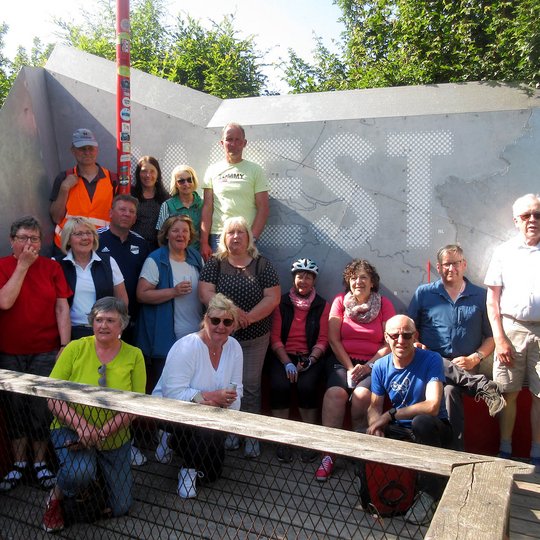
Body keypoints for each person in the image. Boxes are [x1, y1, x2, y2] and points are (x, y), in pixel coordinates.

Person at [41, 297, 146, 533]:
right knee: (80, 474)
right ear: (92, 322)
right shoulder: (75, 348)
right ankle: (56, 496)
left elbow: (137, 405)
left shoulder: (135, 355)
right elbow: (52, 397)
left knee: (121, 506)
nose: (103, 325)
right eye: (98, 320)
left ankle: (93, 479)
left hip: (114, 437)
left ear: (123, 325)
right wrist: (82, 427)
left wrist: (101, 432)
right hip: (71, 430)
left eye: (111, 320)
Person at [408, 244, 505, 450]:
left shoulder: (480, 296)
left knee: (451, 388)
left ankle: (454, 452)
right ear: (438, 267)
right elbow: (409, 327)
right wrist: (415, 341)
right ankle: (482, 386)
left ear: (464, 265)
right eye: (446, 264)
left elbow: (491, 337)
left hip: (466, 364)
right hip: (430, 361)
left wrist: (475, 358)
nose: (451, 268)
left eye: (456, 263)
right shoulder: (424, 293)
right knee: (443, 377)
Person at [0, 216, 71, 493]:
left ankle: (41, 463)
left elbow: (61, 307)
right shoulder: (4, 266)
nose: (29, 244)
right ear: (11, 241)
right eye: (23, 238)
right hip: (10, 352)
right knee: (15, 408)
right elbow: (5, 301)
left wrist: (64, 345)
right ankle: (19, 463)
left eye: (34, 239)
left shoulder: (52, 268)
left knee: (41, 410)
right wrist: (23, 266)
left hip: (45, 350)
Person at [199, 216, 280, 458]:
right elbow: (205, 293)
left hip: (255, 337)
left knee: (251, 386)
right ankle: (232, 431)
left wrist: (247, 318)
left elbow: (272, 298)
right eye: (231, 232)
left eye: (240, 232)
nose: (235, 237)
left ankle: (251, 434)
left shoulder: (262, 265)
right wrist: (233, 317)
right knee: (227, 384)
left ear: (249, 237)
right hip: (221, 338)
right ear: (224, 237)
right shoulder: (215, 263)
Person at [154, 293, 243, 499]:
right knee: (205, 431)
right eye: (215, 320)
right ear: (205, 320)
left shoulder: (235, 348)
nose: (221, 326)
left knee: (212, 474)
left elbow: (237, 390)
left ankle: (174, 443)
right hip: (170, 409)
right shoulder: (187, 347)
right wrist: (211, 398)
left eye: (227, 321)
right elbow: (173, 393)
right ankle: (187, 470)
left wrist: (223, 403)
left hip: (214, 411)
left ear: (233, 325)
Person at [367, 315, 452, 525]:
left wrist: (390, 414)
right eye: (395, 335)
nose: (401, 341)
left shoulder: (431, 359)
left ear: (415, 336)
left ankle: (431, 493)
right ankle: (376, 490)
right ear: (386, 337)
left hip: (432, 427)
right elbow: (374, 406)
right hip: (399, 428)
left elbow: (432, 405)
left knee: (420, 422)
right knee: (365, 432)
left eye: (407, 335)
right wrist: (375, 424)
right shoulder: (380, 366)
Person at [316, 259, 395, 481]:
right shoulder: (340, 302)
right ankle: (329, 454)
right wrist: (351, 368)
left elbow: (389, 343)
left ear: (372, 283)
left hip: (374, 363)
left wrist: (368, 365)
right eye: (353, 277)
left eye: (363, 277)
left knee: (362, 395)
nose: (358, 281)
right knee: (335, 394)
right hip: (343, 362)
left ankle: (359, 449)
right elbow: (333, 339)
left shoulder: (384, 304)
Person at [485, 193, 540, 471]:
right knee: (508, 392)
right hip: (512, 328)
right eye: (527, 215)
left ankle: (537, 455)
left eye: (537, 214)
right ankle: (505, 450)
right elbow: (492, 300)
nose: (533, 220)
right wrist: (500, 338)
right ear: (516, 220)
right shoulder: (504, 252)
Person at [269, 258, 330, 463]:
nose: (303, 280)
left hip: (310, 356)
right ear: (293, 279)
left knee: (307, 386)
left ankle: (309, 439)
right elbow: (275, 338)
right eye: (299, 276)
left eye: (308, 277)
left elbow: (323, 339)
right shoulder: (281, 302)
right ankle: (282, 440)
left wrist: (311, 360)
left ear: (314, 281)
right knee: (279, 385)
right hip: (283, 355)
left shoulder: (322, 305)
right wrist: (287, 362)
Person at [136, 215, 204, 388]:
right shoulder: (156, 259)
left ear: (190, 236)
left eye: (185, 231)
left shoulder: (196, 258)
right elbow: (142, 294)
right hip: (166, 341)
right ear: (166, 234)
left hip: (195, 338)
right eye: (175, 230)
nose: (180, 235)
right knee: (166, 387)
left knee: (191, 386)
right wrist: (173, 292)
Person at [200, 123, 269, 260]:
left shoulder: (256, 170)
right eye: (229, 139)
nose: (233, 143)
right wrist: (204, 242)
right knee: (219, 279)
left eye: (238, 139)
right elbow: (207, 207)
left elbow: (264, 208)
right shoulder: (212, 170)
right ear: (222, 143)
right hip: (218, 236)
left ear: (244, 143)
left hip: (246, 236)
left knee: (246, 279)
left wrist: (252, 238)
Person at [56, 217, 128, 340]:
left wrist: (118, 329)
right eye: (79, 234)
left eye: (89, 233)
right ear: (68, 240)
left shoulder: (108, 262)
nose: (85, 237)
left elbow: (122, 299)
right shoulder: (57, 264)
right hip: (68, 332)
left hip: (103, 331)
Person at [50, 128, 116, 252]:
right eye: (82, 148)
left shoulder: (112, 180)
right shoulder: (63, 178)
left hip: (100, 246)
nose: (87, 152)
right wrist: (64, 189)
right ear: (73, 150)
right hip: (66, 247)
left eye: (90, 148)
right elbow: (56, 218)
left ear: (97, 149)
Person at [98, 194, 150, 335]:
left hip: (133, 316)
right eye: (122, 209)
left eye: (131, 211)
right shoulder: (96, 239)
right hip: (102, 317)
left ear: (135, 218)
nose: (127, 214)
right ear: (110, 213)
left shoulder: (141, 243)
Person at [155, 165, 203, 249]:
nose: (186, 184)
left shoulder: (203, 204)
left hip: (198, 256)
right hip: (175, 255)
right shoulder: (167, 205)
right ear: (176, 184)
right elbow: (161, 235)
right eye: (181, 181)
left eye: (189, 180)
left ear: (194, 181)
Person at [131, 156, 169, 250]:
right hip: (133, 247)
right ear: (138, 174)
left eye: (152, 171)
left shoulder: (166, 198)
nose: (148, 175)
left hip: (157, 248)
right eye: (144, 171)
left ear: (158, 174)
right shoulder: (130, 196)